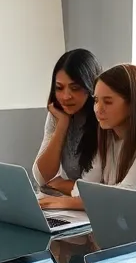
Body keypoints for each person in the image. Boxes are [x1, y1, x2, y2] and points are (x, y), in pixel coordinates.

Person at [38, 63, 136, 211]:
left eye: (108, 102)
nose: (98, 109)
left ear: (133, 103)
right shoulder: (107, 134)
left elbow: (124, 197)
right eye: (96, 100)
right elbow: (86, 187)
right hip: (123, 222)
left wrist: (62, 202)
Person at [33, 49, 102, 196]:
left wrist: (58, 184)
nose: (65, 97)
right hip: (73, 201)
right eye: (59, 88)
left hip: (97, 205)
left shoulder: (102, 116)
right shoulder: (58, 114)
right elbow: (41, 177)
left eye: (75, 88)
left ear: (90, 87)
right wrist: (62, 124)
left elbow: (93, 188)